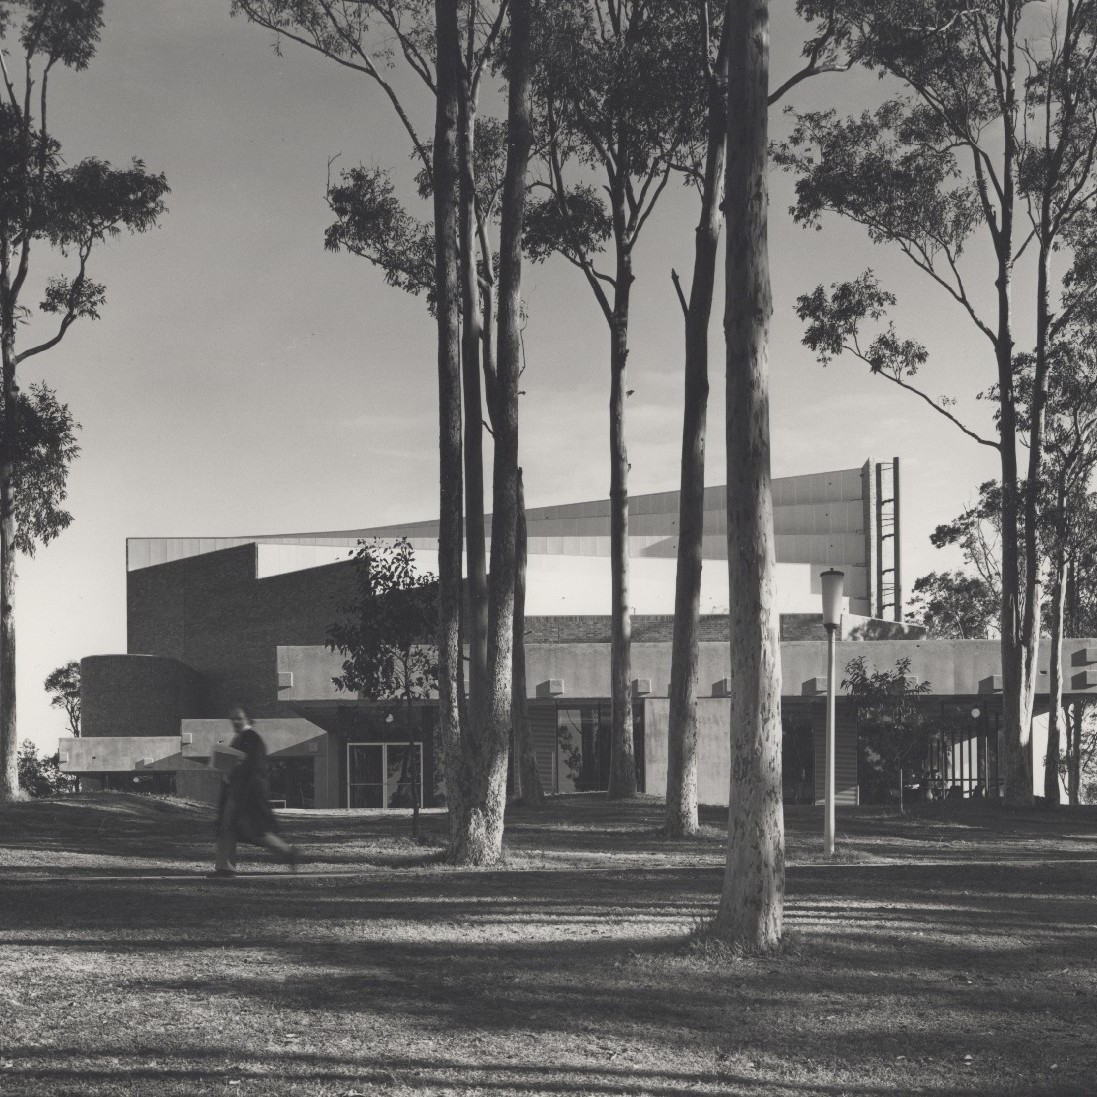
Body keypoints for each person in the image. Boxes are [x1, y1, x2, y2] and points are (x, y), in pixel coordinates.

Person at [210, 706, 300, 878]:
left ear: (247, 719)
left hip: (244, 794)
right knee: (234, 828)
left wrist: (234, 776)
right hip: (238, 793)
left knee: (250, 831)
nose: (235, 722)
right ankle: (225, 867)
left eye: (239, 718)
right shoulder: (240, 738)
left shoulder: (252, 739)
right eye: (233, 719)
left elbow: (252, 768)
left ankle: (287, 853)